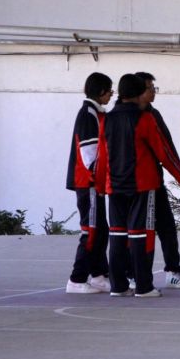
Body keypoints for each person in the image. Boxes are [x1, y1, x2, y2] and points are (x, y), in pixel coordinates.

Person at [96, 74, 180, 298]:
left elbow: (102, 156)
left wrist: (101, 185)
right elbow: (164, 153)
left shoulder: (107, 119)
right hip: (142, 187)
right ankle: (143, 286)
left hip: (114, 187)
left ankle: (118, 286)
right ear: (138, 92)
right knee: (141, 235)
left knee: (117, 235)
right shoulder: (145, 119)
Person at [134, 72, 180, 290]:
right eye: (150, 88)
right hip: (129, 186)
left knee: (166, 226)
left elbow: (166, 149)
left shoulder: (153, 115)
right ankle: (133, 275)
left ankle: (173, 272)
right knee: (133, 231)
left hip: (153, 182)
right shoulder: (120, 116)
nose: (153, 92)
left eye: (153, 88)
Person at [65, 72, 113, 294]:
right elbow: (89, 155)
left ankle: (99, 275)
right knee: (91, 230)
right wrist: (99, 182)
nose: (111, 95)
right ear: (101, 91)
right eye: (110, 91)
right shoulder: (87, 115)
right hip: (88, 183)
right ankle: (76, 279)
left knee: (101, 229)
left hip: (94, 184)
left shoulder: (96, 113)